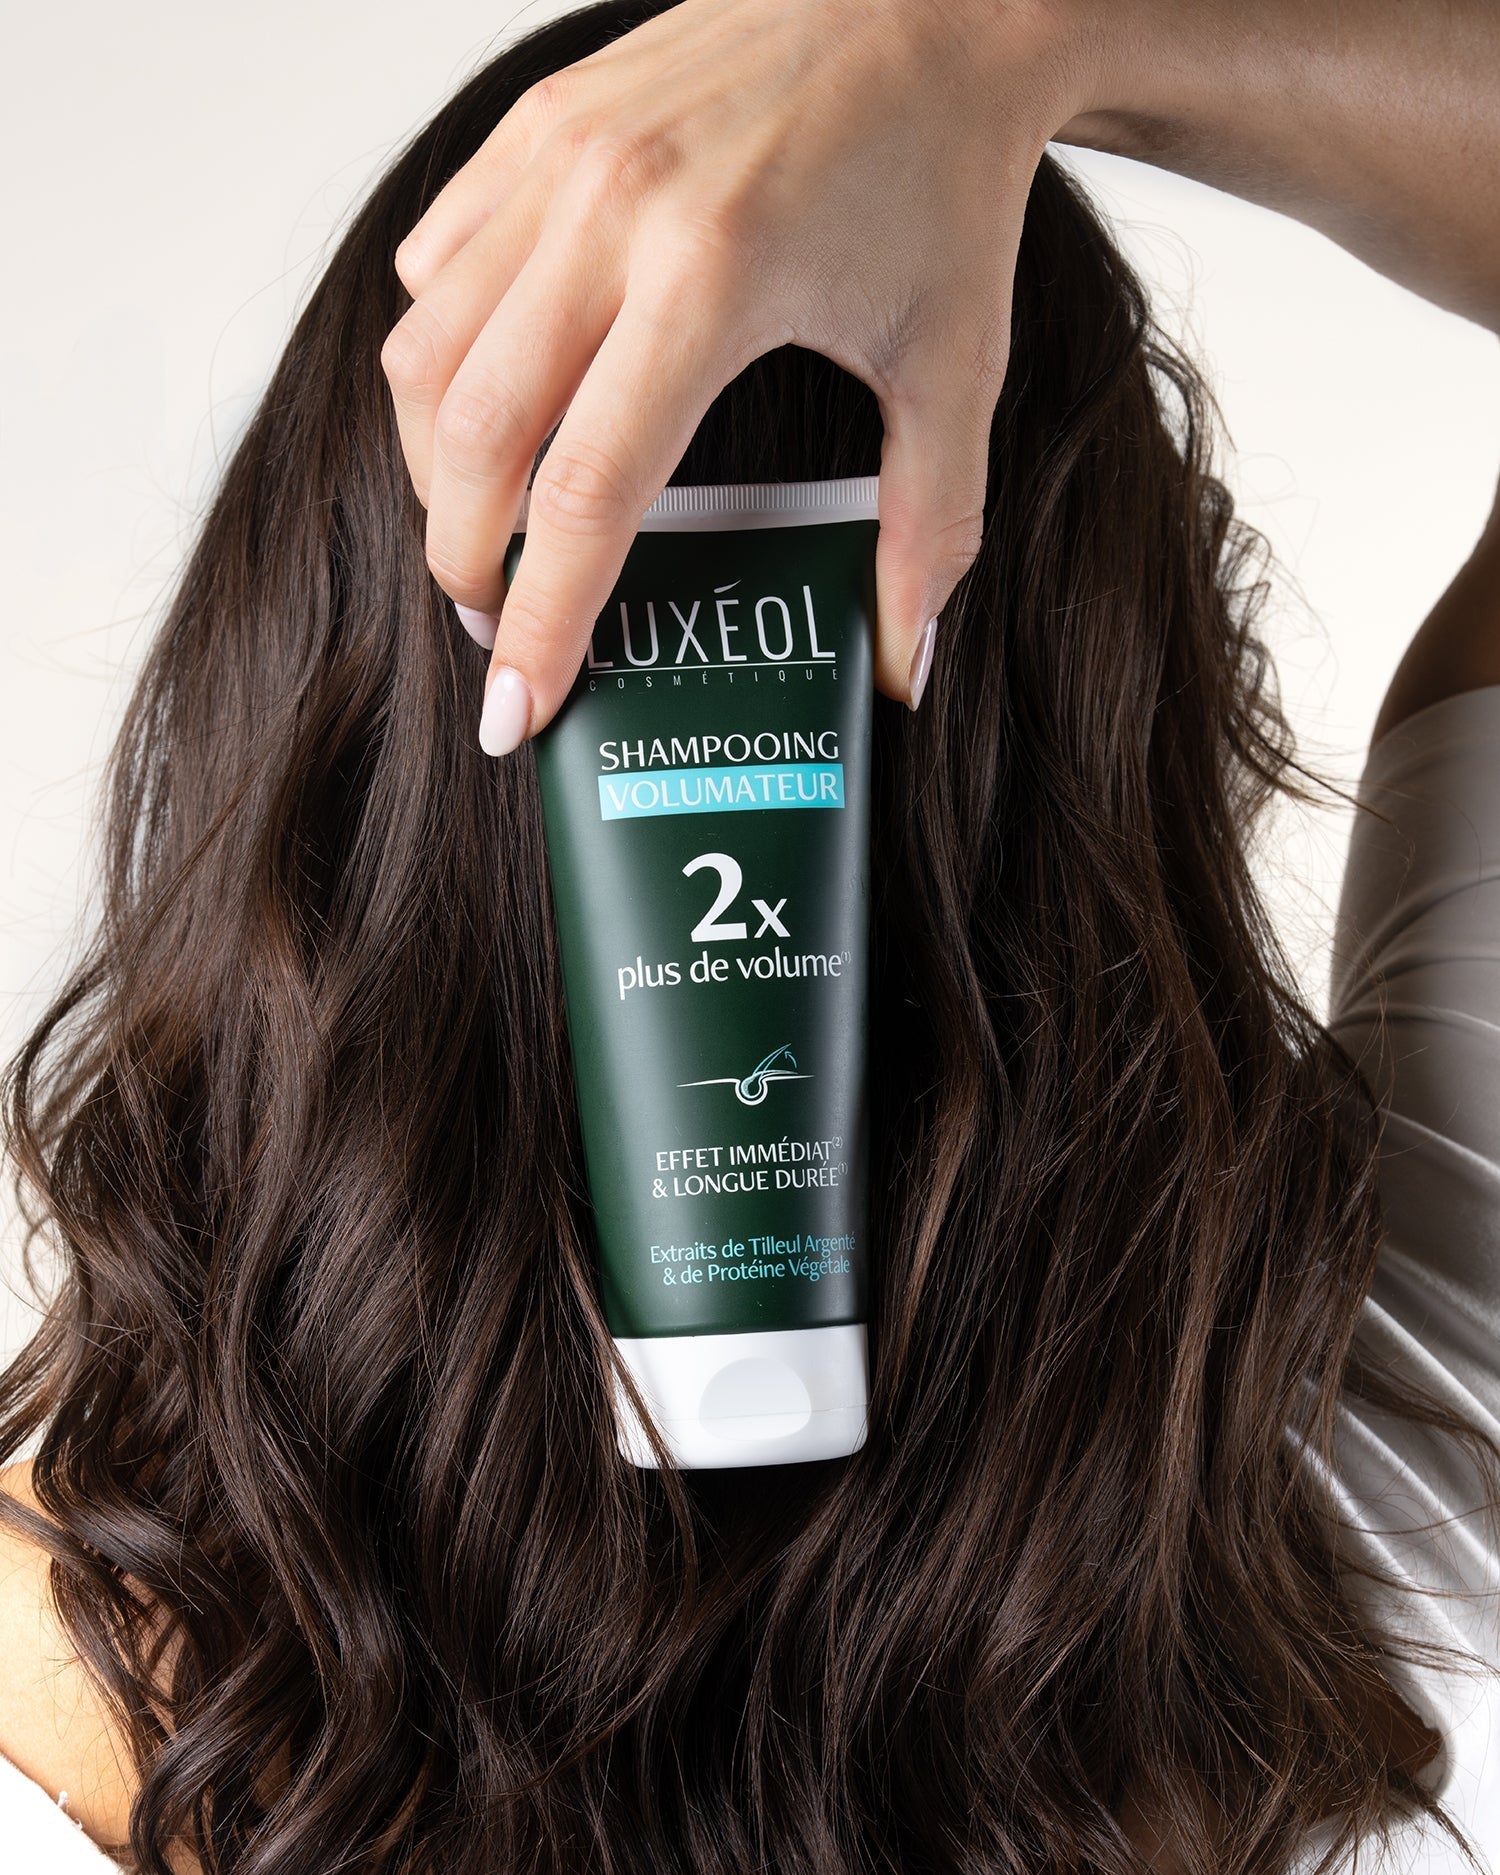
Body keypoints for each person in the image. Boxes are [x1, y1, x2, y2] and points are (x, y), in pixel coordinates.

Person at [0, 0, 1496, 1870]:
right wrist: (995, 39)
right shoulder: (1384, 1466)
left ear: (306, 715)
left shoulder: (61, 1697)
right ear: (1123, 715)